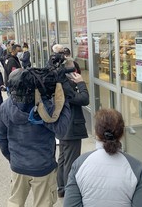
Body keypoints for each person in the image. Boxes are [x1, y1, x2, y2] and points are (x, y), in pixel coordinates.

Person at [0, 68, 71, 207]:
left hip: (18, 166)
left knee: (14, 203)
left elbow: (0, 137)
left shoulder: (6, 106)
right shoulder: (45, 108)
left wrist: (12, 158)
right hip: (43, 167)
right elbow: (61, 130)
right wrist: (63, 99)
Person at [64, 108, 142, 207]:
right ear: (122, 133)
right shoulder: (136, 167)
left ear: (96, 132)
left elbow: (70, 204)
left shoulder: (79, 164)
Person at [55, 48, 89, 198]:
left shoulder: (59, 82)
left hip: (62, 127)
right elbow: (83, 99)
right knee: (70, 160)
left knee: (63, 158)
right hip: (70, 128)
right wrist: (81, 83)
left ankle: (61, 188)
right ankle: (70, 191)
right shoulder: (66, 85)